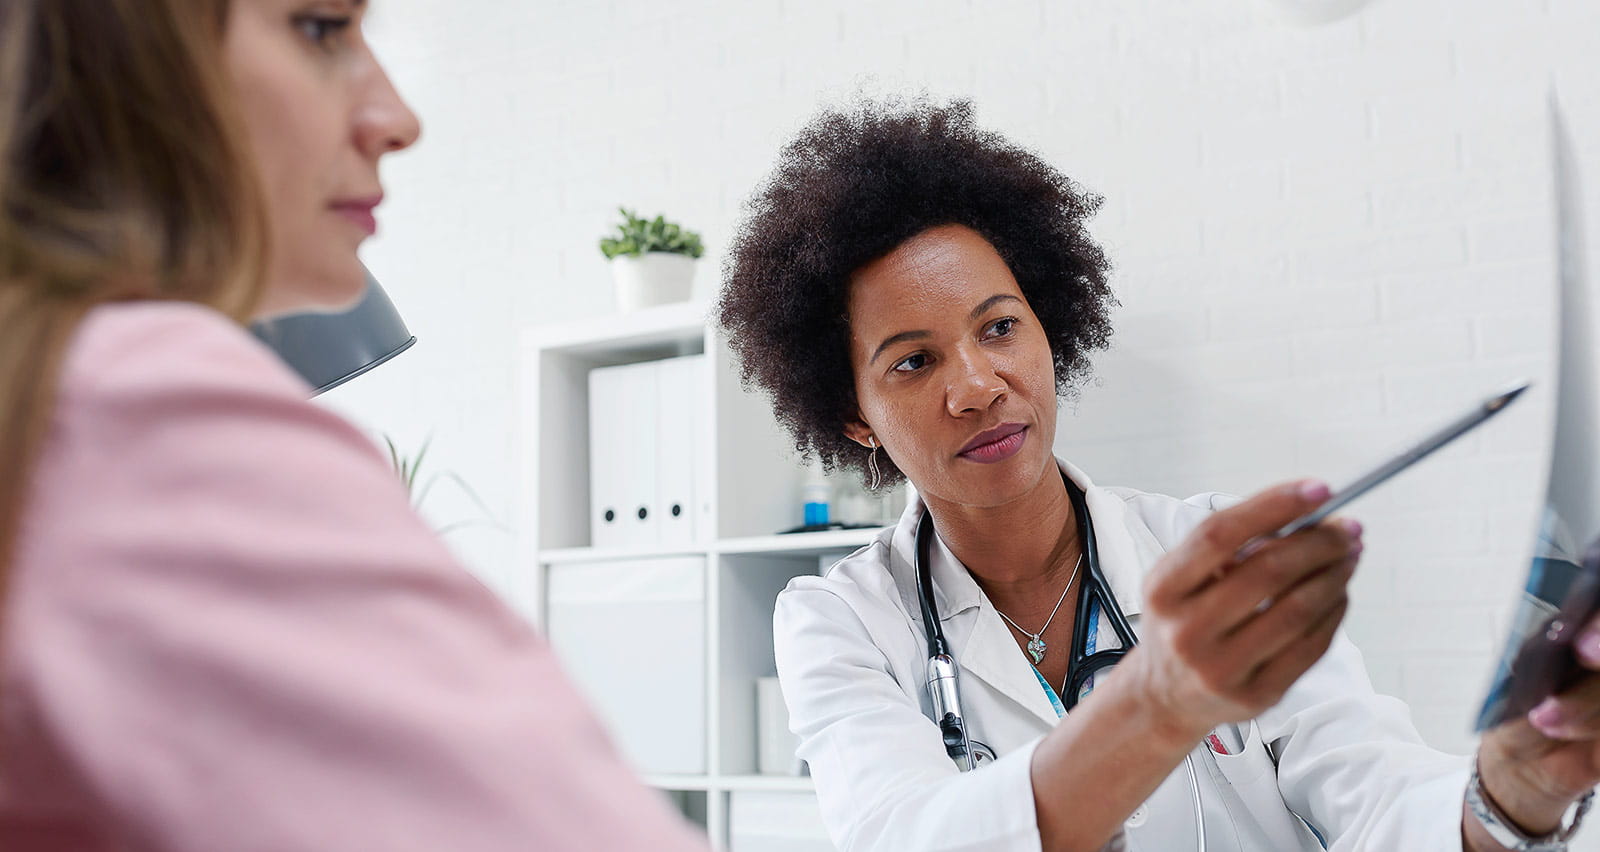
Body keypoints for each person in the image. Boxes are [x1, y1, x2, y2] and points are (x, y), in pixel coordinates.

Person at [716, 97, 1600, 851]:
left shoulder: (1202, 552)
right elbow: (909, 836)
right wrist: (1162, 702)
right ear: (853, 415)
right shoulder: (840, 624)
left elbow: (1375, 789)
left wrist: (1511, 792)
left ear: (1048, 327)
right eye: (913, 363)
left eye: (999, 329)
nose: (979, 388)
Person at [0, 2, 707, 849]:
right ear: (130, 50)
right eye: (321, 28)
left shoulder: (48, 392)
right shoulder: (137, 405)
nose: (396, 119)